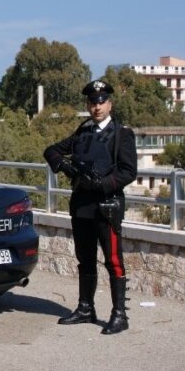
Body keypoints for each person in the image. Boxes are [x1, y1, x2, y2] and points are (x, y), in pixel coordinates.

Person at [44, 80, 137, 334]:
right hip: (82, 206)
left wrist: (101, 183)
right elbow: (51, 151)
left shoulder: (122, 133)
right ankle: (86, 308)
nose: (97, 107)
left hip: (107, 206)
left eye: (101, 101)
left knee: (113, 261)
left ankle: (120, 315)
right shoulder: (83, 132)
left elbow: (129, 171)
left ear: (110, 103)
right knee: (85, 260)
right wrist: (67, 168)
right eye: (92, 102)